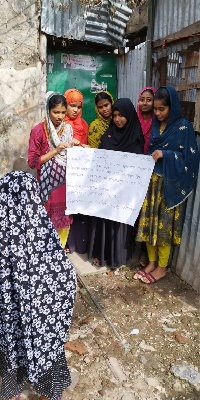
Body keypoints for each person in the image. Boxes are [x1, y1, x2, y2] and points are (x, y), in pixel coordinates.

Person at [0, 171, 77, 400]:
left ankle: (13, 393)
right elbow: (66, 278)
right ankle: (50, 394)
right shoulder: (42, 232)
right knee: (48, 351)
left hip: (10, 332)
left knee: (12, 349)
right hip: (42, 332)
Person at [134, 86, 199, 283]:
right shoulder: (155, 125)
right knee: (149, 226)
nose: (157, 113)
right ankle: (151, 263)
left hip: (169, 186)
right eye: (155, 109)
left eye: (162, 109)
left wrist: (166, 154)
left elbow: (190, 159)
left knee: (163, 229)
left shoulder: (183, 127)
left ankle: (162, 267)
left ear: (172, 107)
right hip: (151, 183)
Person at [88, 98, 144, 268]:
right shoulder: (109, 134)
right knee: (104, 223)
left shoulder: (135, 138)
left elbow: (137, 167)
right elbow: (100, 157)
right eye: (115, 116)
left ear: (129, 115)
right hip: (107, 190)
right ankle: (100, 254)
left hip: (123, 191)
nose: (117, 119)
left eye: (121, 115)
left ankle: (116, 258)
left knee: (120, 226)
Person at [28, 91, 79, 250]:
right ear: (47, 110)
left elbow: (69, 156)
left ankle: (58, 254)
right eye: (56, 112)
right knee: (46, 222)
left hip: (65, 185)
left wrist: (75, 146)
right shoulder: (38, 131)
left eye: (63, 112)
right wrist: (55, 151)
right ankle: (46, 255)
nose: (60, 116)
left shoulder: (67, 130)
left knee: (64, 222)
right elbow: (33, 161)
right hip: (47, 187)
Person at [64, 89, 89, 254]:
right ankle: (63, 242)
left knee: (77, 207)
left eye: (78, 107)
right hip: (62, 172)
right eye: (72, 105)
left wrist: (84, 147)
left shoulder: (84, 124)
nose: (75, 110)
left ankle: (76, 243)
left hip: (78, 172)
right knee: (64, 208)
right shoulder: (59, 124)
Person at [137, 86, 157, 268]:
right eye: (142, 99)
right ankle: (129, 246)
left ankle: (143, 251)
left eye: (149, 99)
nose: (145, 103)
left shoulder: (157, 123)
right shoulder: (133, 120)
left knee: (145, 211)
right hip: (133, 171)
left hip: (151, 172)